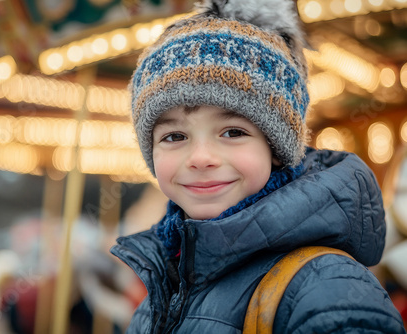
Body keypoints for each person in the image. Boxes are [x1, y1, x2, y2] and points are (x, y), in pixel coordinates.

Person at [110, 0, 407, 332]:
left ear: (277, 149)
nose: (200, 157)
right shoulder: (165, 286)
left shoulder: (325, 289)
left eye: (233, 132)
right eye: (174, 136)